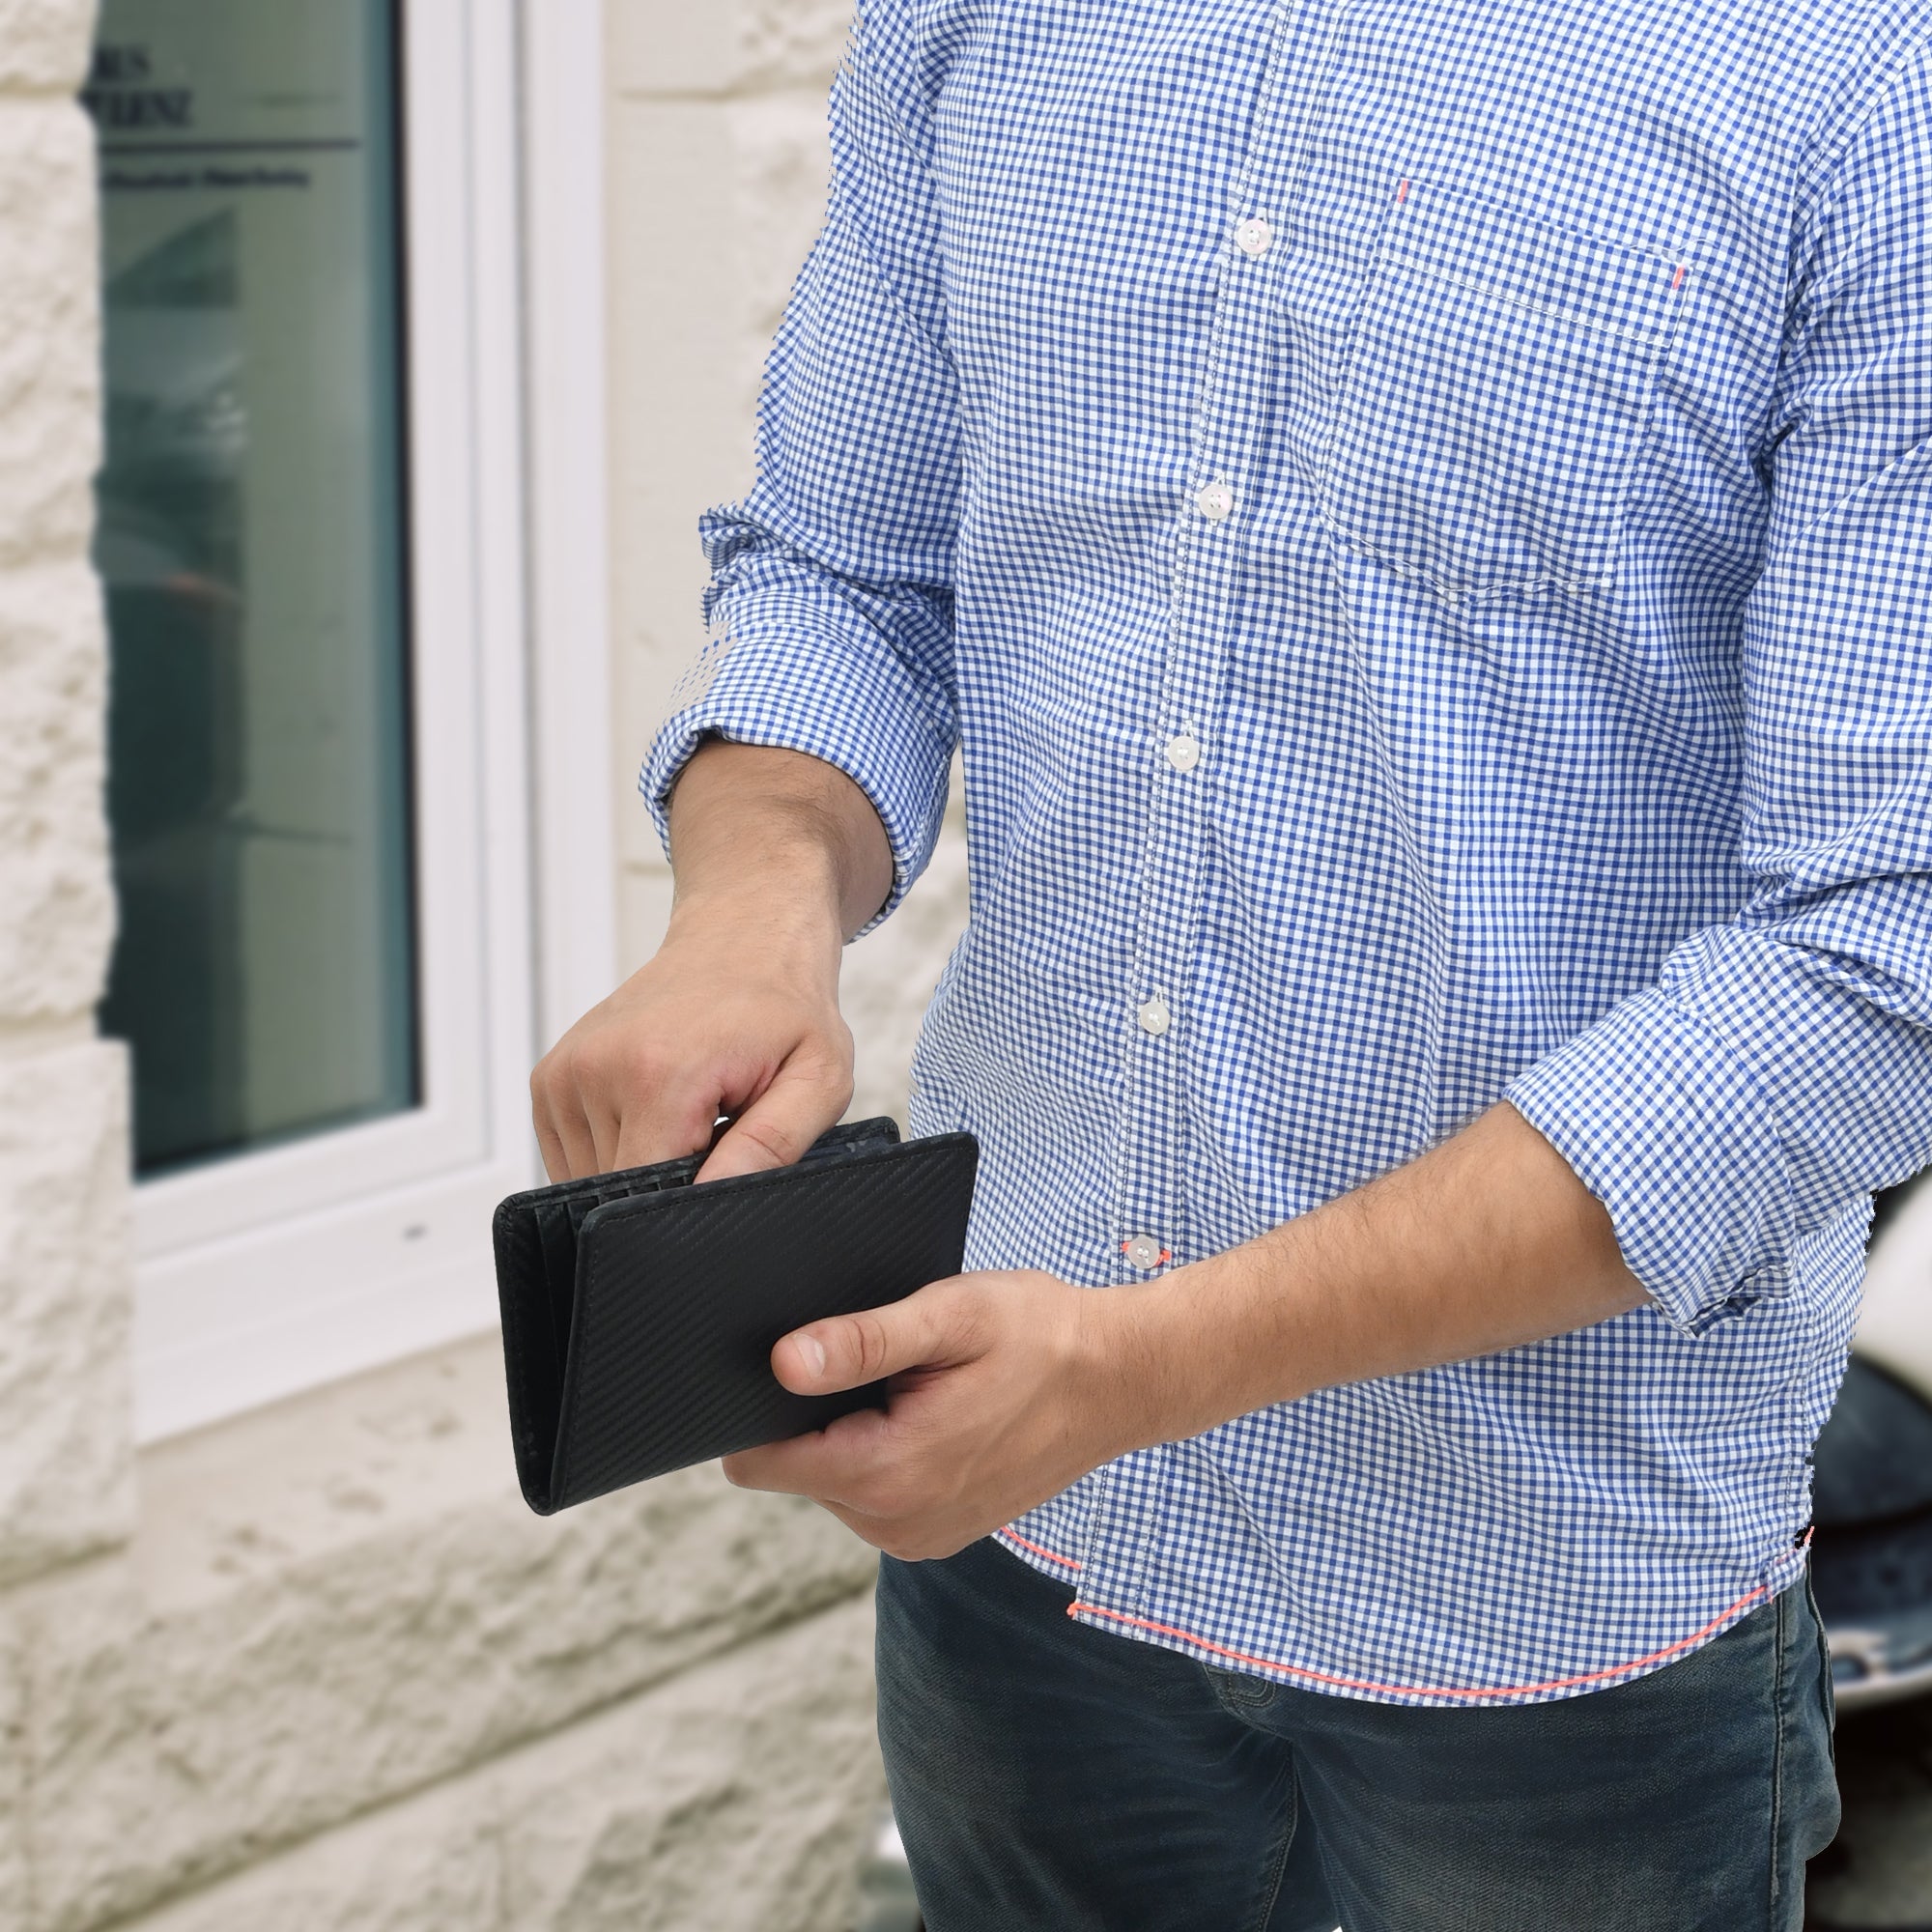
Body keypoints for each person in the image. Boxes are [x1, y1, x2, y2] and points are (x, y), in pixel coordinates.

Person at [532, 0, 1932, 1923]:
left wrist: (1136, 1364)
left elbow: (1878, 952)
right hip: (1018, 1561)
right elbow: (850, 569)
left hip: (1538, 1625)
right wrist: (749, 900)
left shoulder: (1862, 70)